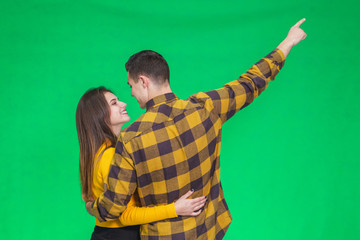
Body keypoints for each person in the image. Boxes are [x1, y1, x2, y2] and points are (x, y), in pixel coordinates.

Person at [87, 19, 307, 239]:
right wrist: (287, 43)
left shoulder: (131, 137)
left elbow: (113, 207)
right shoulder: (206, 107)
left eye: (131, 86)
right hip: (208, 231)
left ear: (143, 81)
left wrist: (92, 207)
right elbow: (250, 83)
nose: (132, 94)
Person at [76, 87, 207, 240]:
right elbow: (126, 215)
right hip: (122, 235)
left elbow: (90, 200)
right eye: (114, 103)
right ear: (99, 115)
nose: (123, 104)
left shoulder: (95, 154)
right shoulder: (111, 156)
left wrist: (91, 208)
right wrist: (175, 209)